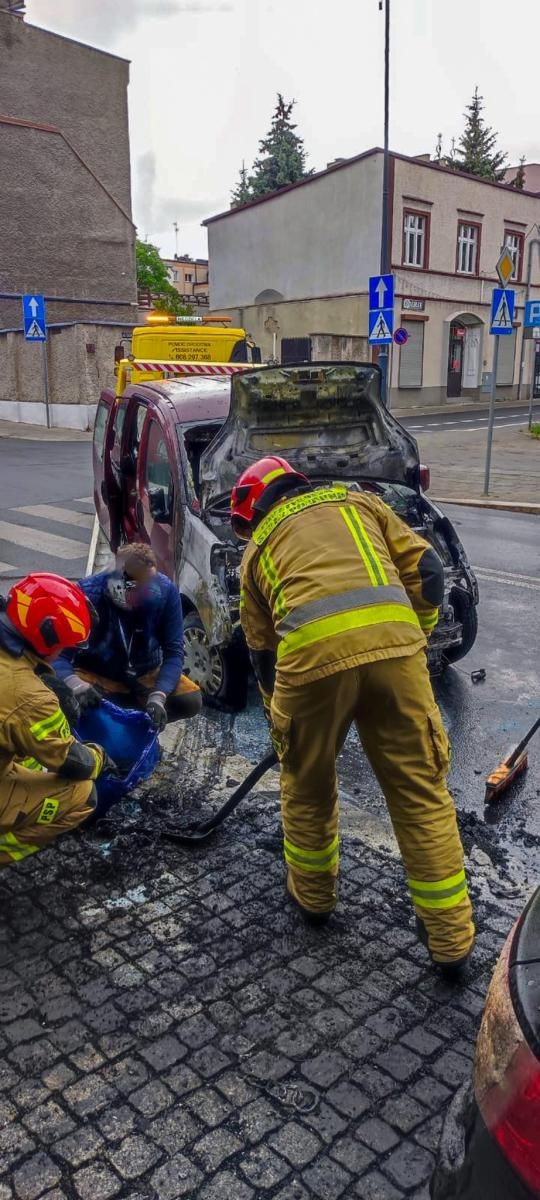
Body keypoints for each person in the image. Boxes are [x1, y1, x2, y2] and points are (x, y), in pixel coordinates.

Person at [231, 455, 475, 978]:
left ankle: (315, 901)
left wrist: (285, 721)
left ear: (254, 509)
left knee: (309, 784)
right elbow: (430, 574)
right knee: (420, 791)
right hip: (397, 653)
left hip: (311, 666)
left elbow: (262, 652)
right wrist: (416, 633)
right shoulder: (361, 503)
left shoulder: (255, 553)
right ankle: (451, 941)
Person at [0, 573, 116, 869]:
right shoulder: (31, 697)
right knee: (82, 794)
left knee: (25, 755)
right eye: (63, 646)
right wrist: (100, 757)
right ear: (47, 640)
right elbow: (73, 762)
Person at [55, 543, 202, 731]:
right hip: (98, 674)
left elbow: (174, 653)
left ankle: (140, 727)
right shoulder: (87, 595)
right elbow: (59, 655)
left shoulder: (165, 592)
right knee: (67, 697)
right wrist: (75, 685)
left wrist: (159, 696)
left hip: (144, 671)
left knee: (190, 700)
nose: (150, 592)